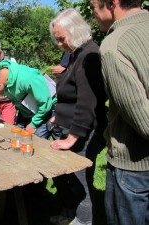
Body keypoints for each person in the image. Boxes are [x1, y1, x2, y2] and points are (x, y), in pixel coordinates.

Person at [91, 0, 149, 224]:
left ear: (112, 3)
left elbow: (144, 122)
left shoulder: (114, 45)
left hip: (135, 168)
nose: (94, 13)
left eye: (94, 5)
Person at [48, 9, 107, 225]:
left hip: (84, 130)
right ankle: (71, 214)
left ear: (75, 31)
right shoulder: (75, 54)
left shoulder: (88, 55)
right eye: (57, 39)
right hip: (66, 124)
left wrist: (73, 137)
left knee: (81, 179)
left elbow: (87, 101)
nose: (60, 44)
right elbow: (69, 93)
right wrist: (57, 116)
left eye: (61, 38)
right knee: (69, 176)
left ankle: (84, 221)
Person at [0, 59, 56, 139]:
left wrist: (33, 124)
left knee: (32, 142)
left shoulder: (27, 78)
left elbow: (46, 104)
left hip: (46, 112)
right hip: (26, 113)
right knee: (15, 138)